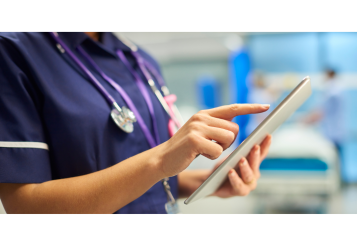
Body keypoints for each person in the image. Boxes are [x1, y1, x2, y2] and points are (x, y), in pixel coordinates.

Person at [0, 32, 272, 214]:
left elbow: (136, 172)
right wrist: (161, 159)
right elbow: (25, 207)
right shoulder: (13, 52)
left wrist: (203, 181)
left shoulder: (140, 60)